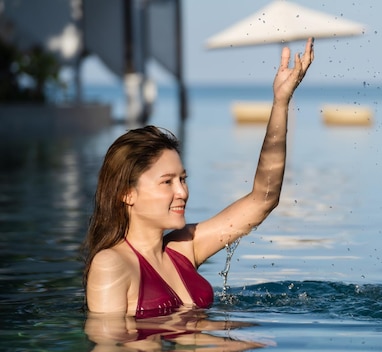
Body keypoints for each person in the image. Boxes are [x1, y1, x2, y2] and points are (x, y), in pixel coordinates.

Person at [83, 38, 314, 318]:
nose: (182, 192)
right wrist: (200, 334)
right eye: (167, 182)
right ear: (127, 193)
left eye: (183, 179)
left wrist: (280, 103)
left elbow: (263, 200)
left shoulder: (184, 247)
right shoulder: (113, 264)